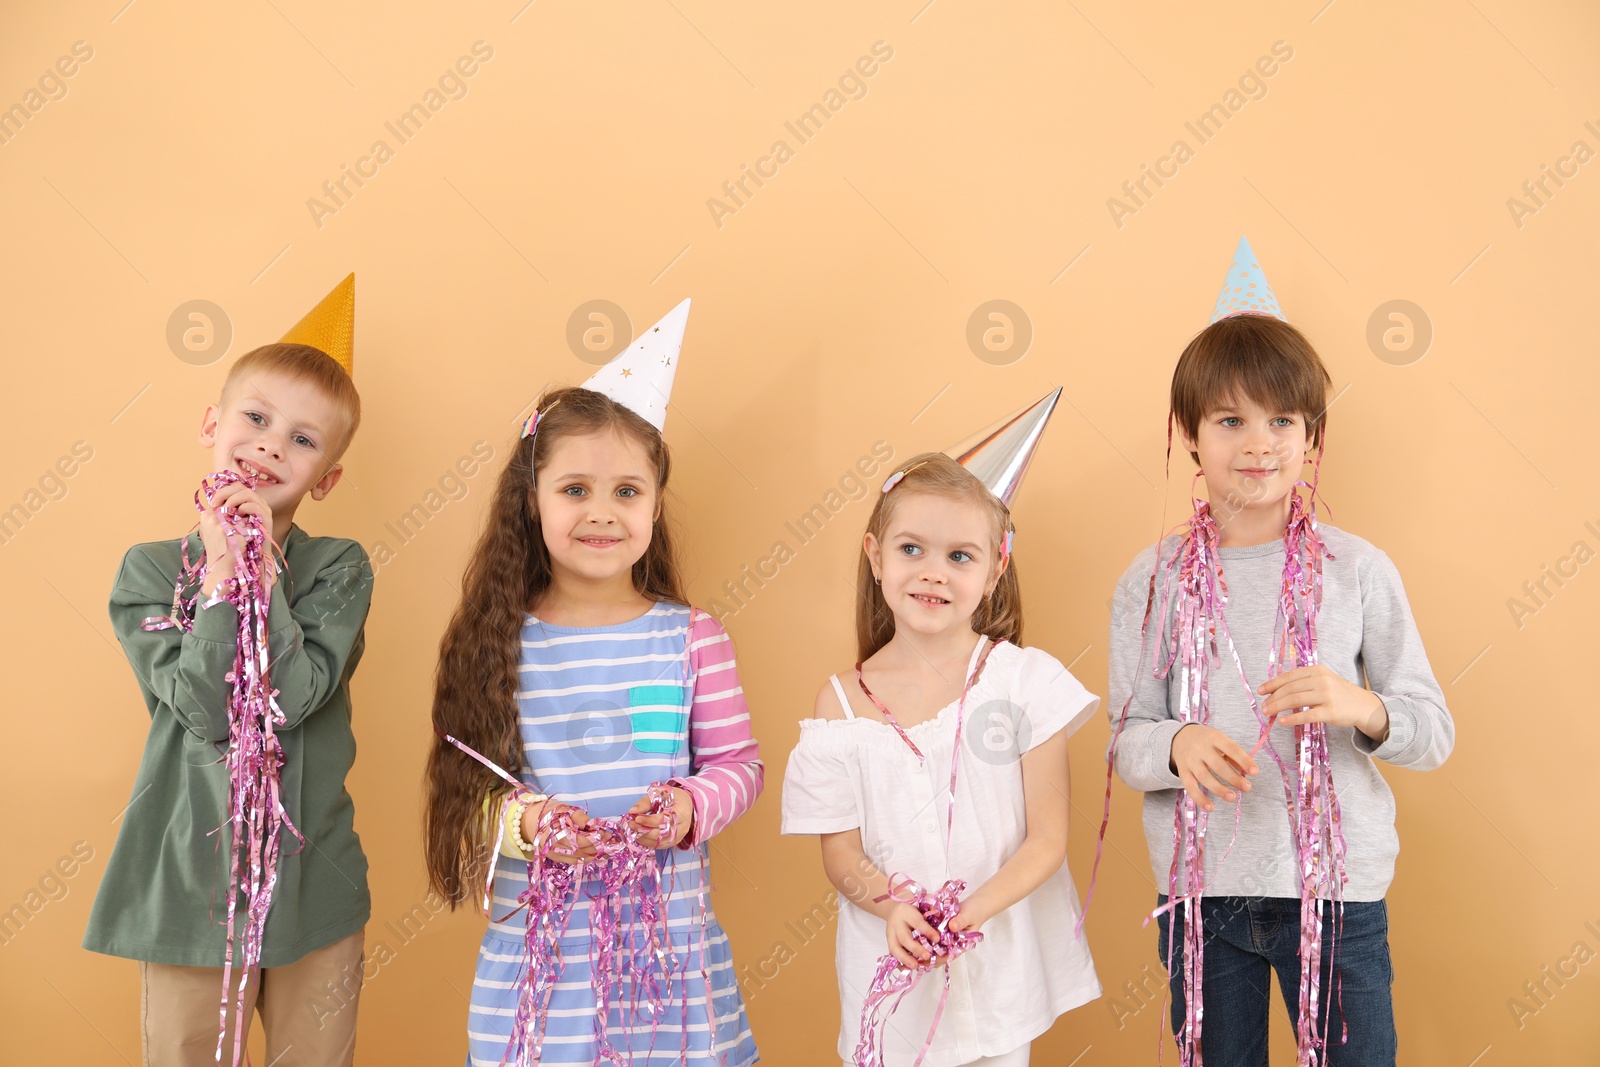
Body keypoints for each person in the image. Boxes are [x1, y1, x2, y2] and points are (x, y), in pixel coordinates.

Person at [1106, 239, 1455, 1066]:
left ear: (1312, 433)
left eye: (1281, 420)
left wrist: (1360, 705)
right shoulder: (1149, 578)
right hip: (1203, 895)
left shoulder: (1358, 569)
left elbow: (1432, 729)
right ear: (1187, 433)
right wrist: (1178, 742)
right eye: (1229, 419)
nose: (1257, 443)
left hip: (1335, 892)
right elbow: (1128, 739)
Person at [424, 300, 762, 1066]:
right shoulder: (495, 641)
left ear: (653, 503)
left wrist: (685, 806)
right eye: (575, 489)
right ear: (532, 500)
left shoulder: (691, 638)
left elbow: (741, 767)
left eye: (627, 492)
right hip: (543, 972)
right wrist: (530, 823)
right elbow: (465, 791)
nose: (602, 513)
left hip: (668, 965)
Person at [85, 276, 375, 1066]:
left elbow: (291, 698)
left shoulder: (336, 570)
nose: (272, 445)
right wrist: (220, 575)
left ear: (327, 478)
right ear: (213, 422)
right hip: (188, 885)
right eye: (255, 418)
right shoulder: (151, 572)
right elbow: (206, 712)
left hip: (313, 880)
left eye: (304, 440)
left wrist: (263, 567)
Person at [783, 391, 1102, 1067]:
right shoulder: (841, 703)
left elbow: (1048, 835)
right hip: (889, 978)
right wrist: (889, 904)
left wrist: (972, 911)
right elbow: (841, 855)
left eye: (960, 556)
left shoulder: (1023, 683)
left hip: (997, 976)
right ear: (876, 555)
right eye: (912, 548)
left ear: (996, 568)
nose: (933, 570)